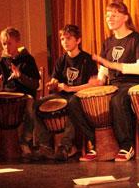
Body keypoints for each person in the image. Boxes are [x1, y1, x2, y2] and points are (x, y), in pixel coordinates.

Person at [84, 1, 139, 162]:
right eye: (107, 15)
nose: (109, 18)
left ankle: (127, 146)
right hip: (113, 85)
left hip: (133, 84)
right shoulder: (108, 42)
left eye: (114, 15)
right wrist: (99, 81)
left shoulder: (137, 39)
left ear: (125, 17)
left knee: (117, 99)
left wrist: (115, 65)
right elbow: (103, 69)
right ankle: (98, 144)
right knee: (76, 102)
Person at [34, 24, 99, 161]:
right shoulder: (61, 60)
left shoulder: (87, 59)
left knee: (71, 104)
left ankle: (66, 146)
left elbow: (92, 85)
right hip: (63, 95)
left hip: (81, 96)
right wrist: (53, 84)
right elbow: (55, 80)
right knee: (37, 104)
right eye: (62, 39)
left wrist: (70, 89)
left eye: (68, 38)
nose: (65, 42)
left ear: (78, 40)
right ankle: (45, 145)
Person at [0, 27, 40, 159]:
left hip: (24, 97)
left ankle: (25, 141)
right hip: (5, 96)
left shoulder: (28, 59)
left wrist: (20, 76)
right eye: (4, 44)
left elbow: (35, 84)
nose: (6, 47)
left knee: (31, 106)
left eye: (9, 43)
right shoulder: (1, 61)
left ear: (18, 42)